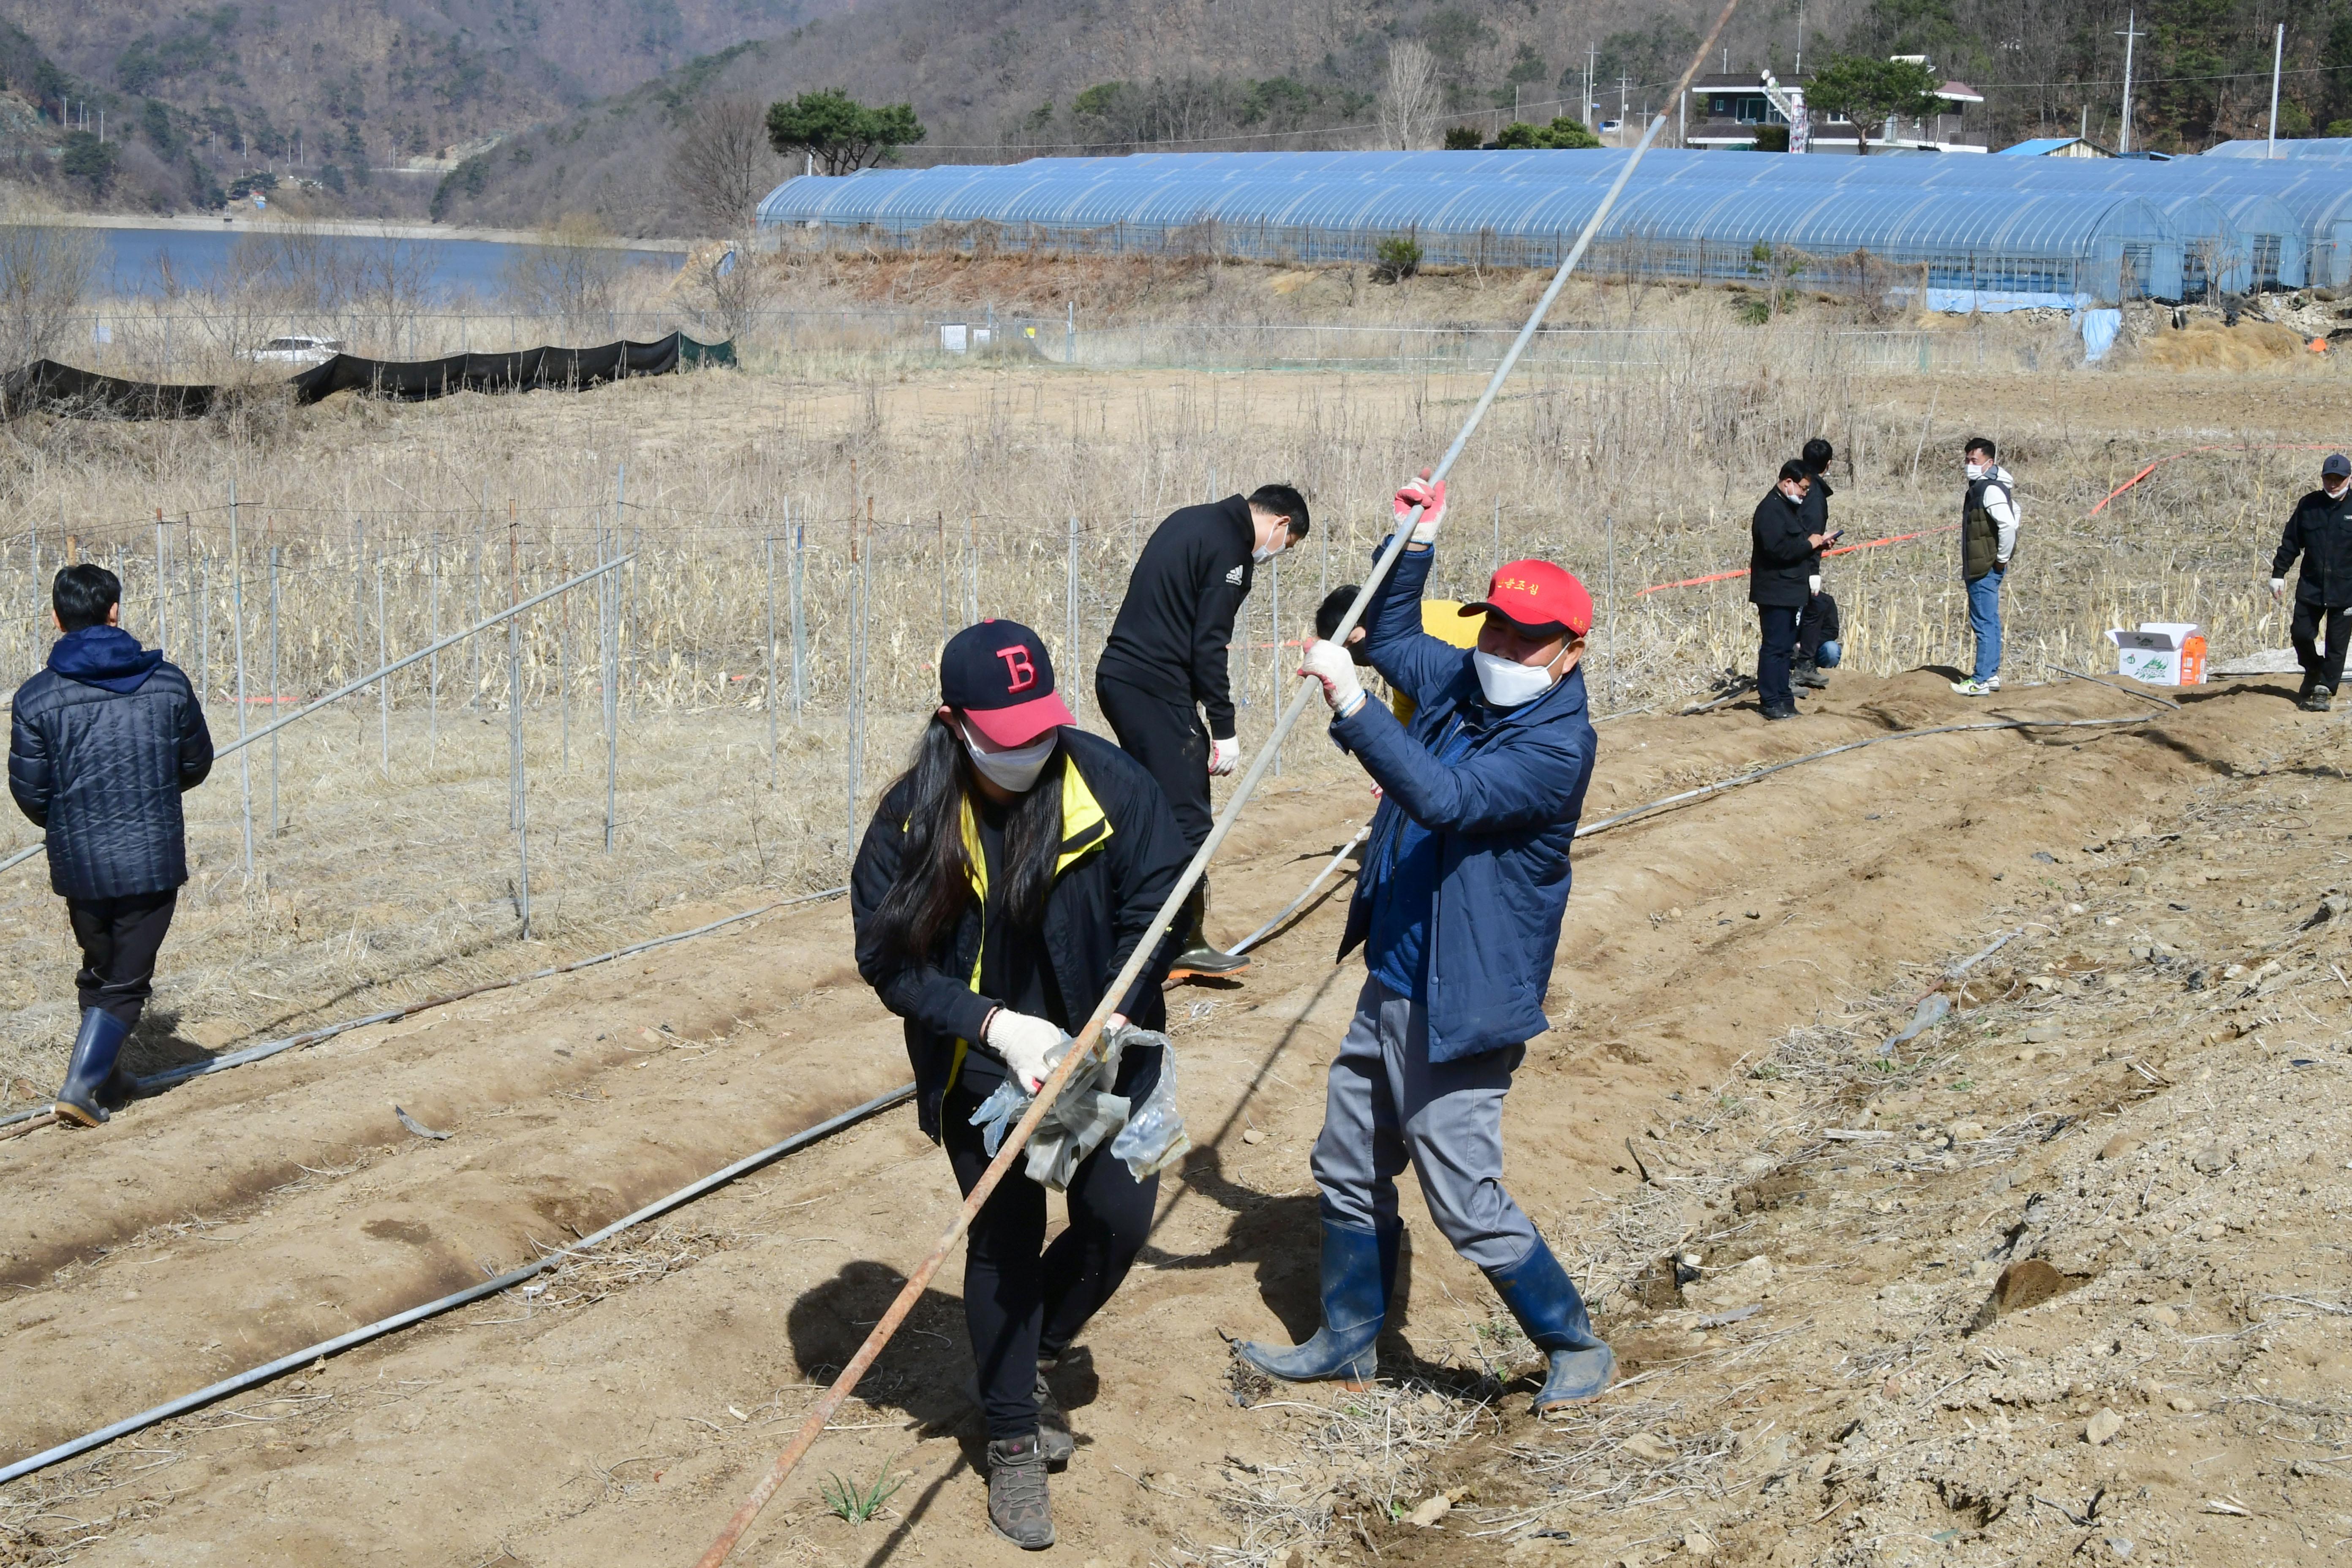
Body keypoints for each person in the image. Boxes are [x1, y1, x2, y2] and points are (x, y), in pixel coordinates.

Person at [1235, 474, 1614, 1414]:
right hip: (1396, 971)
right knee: (1349, 1159)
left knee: (1463, 1194)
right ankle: (1350, 1338)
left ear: (1569, 654)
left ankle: (1574, 1342)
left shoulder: (1558, 747)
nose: (1503, 648)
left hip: (1465, 1000)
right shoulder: (1466, 680)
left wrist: (1354, 709)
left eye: (1528, 639)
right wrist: (1412, 544)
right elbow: (1398, 639)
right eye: (1494, 627)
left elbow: (1445, 799)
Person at [852, 619, 1187, 1550]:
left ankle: (1030, 1339)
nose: (1029, 749)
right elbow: (888, 961)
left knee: (1117, 1220)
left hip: (1102, 1050)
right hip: (986, 1068)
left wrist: (1118, 1004)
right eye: (1005, 734)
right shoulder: (912, 820)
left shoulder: (1111, 785)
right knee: (1003, 1235)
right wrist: (998, 1024)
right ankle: (1010, 1435)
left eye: (1041, 725)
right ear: (955, 724)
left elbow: (1160, 904)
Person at [8, 564, 212, 1128]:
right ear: (115, 611)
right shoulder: (168, 683)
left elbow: (31, 793)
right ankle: (79, 1087)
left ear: (56, 619)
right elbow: (196, 763)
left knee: (101, 972)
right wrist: (149, 795)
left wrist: (74, 823)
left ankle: (110, 1078)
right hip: (150, 858)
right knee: (124, 980)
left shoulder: (35, 698)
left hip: (81, 867)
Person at [1094, 484, 1309, 979]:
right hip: (1153, 688)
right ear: (1280, 525)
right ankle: (1173, 944)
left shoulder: (1192, 518)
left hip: (1122, 678)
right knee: (1188, 822)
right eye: (1288, 544)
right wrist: (1224, 727)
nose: (1279, 553)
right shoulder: (1231, 549)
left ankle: (1134, 928)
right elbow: (1210, 644)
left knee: (1150, 808)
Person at [1315, 583, 1480, 724]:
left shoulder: (1418, 636)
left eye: (1352, 641)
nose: (1351, 652)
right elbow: (1407, 708)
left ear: (1369, 619)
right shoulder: (1399, 635)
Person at [2270, 452, 2352, 713]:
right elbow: (2291, 542)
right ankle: (2313, 668)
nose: (2332, 484)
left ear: (2349, 478)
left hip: (2346, 589)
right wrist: (2278, 573)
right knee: (2301, 634)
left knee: (2337, 645)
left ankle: (2324, 689)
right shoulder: (2309, 505)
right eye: (2328, 478)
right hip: (2312, 586)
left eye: (2338, 479)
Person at [1750, 460, 1832, 721]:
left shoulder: (1786, 508)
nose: (1805, 494)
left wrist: (1816, 544)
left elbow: (1795, 543)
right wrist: (1809, 545)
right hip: (1775, 591)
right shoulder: (1770, 511)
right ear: (1788, 482)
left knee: (1786, 648)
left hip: (1789, 590)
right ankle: (1771, 700)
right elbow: (1778, 550)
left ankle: (1784, 697)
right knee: (1774, 648)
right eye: (1804, 488)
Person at [1952, 436, 2019, 697]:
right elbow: (2017, 514)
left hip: (1984, 567)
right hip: (1985, 564)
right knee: (1990, 621)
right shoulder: (1990, 486)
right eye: (1967, 460)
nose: (1970, 465)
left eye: (1975, 461)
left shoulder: (1989, 489)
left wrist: (2003, 558)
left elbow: (2009, 525)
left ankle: (1980, 679)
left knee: (1983, 623)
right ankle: (1990, 675)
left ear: (1989, 462)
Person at [1791, 437, 1836, 690]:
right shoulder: (1815, 496)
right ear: (1828, 465)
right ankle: (1802, 666)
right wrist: (1813, 572)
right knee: (1813, 606)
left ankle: (1801, 665)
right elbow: (1810, 533)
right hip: (1801, 564)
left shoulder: (1800, 490)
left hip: (1795, 560)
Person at [1794, 583, 1843, 690]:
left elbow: (1832, 631)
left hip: (1816, 647)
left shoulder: (1825, 602)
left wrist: (1807, 644)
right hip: (1791, 648)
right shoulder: (1789, 601)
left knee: (1832, 650)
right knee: (1767, 649)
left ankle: (1824, 673)